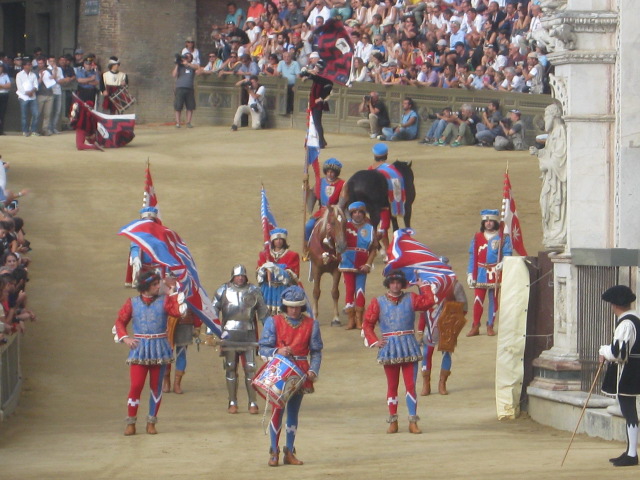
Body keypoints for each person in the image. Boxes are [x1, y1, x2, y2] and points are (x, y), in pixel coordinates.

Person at [363, 269, 439, 434]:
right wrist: (375, 341)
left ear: (402, 284)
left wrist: (423, 286)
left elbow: (429, 302)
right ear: (388, 284)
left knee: (410, 385)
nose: (395, 286)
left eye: (398, 282)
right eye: (392, 283)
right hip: (389, 348)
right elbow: (367, 323)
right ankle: (393, 421)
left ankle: (412, 421)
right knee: (392, 386)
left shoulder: (411, 298)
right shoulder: (378, 302)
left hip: (409, 345)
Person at [113, 271, 186, 436]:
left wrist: (172, 293)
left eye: (158, 283)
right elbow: (120, 322)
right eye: (155, 284)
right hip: (140, 349)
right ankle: (131, 422)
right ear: (145, 286)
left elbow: (177, 312)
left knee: (156, 386)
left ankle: (151, 422)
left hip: (159, 349)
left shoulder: (164, 300)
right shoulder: (132, 303)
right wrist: (125, 338)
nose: (158, 286)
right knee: (136, 385)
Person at [258, 285, 323, 467]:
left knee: (293, 412)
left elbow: (316, 351)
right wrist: (277, 351)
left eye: (297, 307)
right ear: (285, 306)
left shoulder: (311, 324)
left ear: (302, 307)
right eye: (291, 307)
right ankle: (274, 451)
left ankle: (289, 450)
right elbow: (263, 347)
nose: (294, 310)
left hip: (300, 373)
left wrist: (313, 370)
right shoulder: (273, 322)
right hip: (279, 371)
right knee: (277, 410)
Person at [212, 264, 268, 414]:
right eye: (238, 276)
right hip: (229, 334)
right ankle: (232, 401)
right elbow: (213, 309)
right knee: (230, 367)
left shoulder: (253, 290)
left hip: (248, 333)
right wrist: (211, 329)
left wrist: (270, 331)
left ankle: (253, 402)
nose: (240, 278)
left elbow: (263, 312)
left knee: (250, 368)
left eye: (242, 275)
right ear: (233, 277)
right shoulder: (223, 290)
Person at [599, 285, 640, 467]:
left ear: (614, 305)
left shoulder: (625, 324)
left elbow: (619, 354)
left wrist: (603, 350)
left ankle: (632, 454)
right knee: (629, 411)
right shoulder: (637, 318)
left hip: (630, 372)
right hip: (635, 369)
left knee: (629, 411)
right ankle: (630, 451)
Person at [418, 270, 468, 396]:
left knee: (446, 353)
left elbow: (463, 307)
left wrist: (454, 320)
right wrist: (420, 329)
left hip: (448, 325)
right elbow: (423, 309)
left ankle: (442, 383)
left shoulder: (455, 285)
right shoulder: (427, 285)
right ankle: (426, 383)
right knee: (426, 353)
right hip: (431, 324)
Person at [466, 209, 512, 337]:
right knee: (477, 299)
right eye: (486, 221)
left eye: (491, 221)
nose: (488, 223)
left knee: (494, 299)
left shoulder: (503, 237)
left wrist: (503, 262)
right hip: (480, 272)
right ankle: (475, 325)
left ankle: (490, 325)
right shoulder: (477, 237)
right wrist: (470, 273)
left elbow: (507, 253)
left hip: (495, 272)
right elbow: (472, 256)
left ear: (495, 222)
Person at [339, 202, 377, 330]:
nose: (357, 215)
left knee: (360, 291)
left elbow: (373, 249)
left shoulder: (370, 228)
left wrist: (368, 264)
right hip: (347, 262)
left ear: (364, 213)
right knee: (349, 290)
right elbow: (336, 238)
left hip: (362, 265)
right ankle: (351, 320)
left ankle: (359, 319)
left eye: (360, 212)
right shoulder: (344, 226)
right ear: (351, 214)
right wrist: (329, 230)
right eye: (354, 212)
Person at [304, 158, 345, 257]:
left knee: (345, 226)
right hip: (321, 212)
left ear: (336, 173)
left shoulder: (343, 184)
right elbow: (312, 197)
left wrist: (335, 210)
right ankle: (307, 248)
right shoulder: (320, 182)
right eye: (328, 171)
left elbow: (343, 200)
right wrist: (306, 188)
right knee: (308, 226)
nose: (330, 174)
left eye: (332, 172)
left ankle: (344, 247)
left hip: (336, 212)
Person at [257, 228, 301, 314]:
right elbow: (258, 273)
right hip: (268, 290)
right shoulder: (264, 255)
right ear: (272, 241)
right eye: (276, 239)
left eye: (281, 239)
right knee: (266, 314)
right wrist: (264, 269)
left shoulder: (292, 255)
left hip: (283, 289)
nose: (279, 241)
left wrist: (277, 269)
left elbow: (294, 275)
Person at [163, 308, 202, 395]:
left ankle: (177, 384)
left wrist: (197, 325)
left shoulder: (191, 296)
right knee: (166, 354)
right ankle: (166, 381)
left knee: (182, 354)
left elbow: (196, 305)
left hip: (185, 323)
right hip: (168, 322)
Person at [300, 56, 332, 148]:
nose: (315, 69)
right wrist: (308, 76)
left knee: (317, 122)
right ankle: (322, 141)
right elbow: (307, 75)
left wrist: (321, 98)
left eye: (317, 68)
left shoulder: (323, 78)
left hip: (318, 102)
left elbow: (327, 88)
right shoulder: (320, 77)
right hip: (314, 101)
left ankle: (321, 142)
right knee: (316, 121)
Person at [172, 53, 199, 128]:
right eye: (185, 57)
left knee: (190, 106)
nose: (186, 58)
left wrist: (187, 64)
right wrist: (177, 64)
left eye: (188, 57)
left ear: (191, 59)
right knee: (178, 106)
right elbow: (174, 75)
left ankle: (188, 122)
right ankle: (178, 123)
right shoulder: (180, 67)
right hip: (180, 88)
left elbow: (197, 68)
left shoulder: (192, 66)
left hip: (189, 88)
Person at [15, 58, 39, 137]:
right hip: (23, 97)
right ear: (24, 66)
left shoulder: (33, 74)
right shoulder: (19, 75)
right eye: (28, 65)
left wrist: (32, 91)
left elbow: (36, 85)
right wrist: (27, 93)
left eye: (30, 65)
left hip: (32, 96)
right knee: (24, 115)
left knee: (36, 114)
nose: (30, 66)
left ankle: (33, 130)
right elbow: (19, 87)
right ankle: (25, 131)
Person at [0, 63, 10, 135]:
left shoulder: (5, 75)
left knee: (2, 113)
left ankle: (1, 130)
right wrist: (4, 86)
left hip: (4, 95)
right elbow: (6, 86)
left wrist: (1, 86)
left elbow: (9, 85)